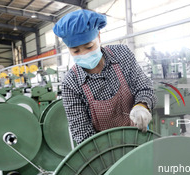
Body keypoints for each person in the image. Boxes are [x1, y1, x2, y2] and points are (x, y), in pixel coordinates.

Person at [53, 9, 157, 144]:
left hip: (138, 139)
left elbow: (144, 88)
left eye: (89, 46)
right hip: (103, 152)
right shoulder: (71, 83)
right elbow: (81, 133)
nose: (84, 54)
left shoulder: (122, 55)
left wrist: (142, 106)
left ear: (99, 37)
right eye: (76, 51)